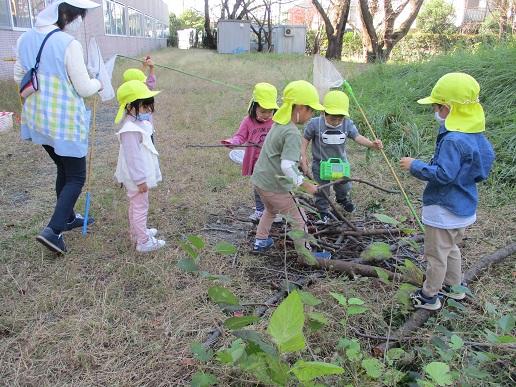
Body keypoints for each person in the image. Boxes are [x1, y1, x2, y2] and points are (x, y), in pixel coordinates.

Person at [400, 72, 495, 310]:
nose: (435, 111)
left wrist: (416, 166)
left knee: (435, 256)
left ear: (447, 108)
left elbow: (443, 175)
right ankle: (454, 288)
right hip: (464, 208)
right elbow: (484, 165)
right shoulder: (475, 136)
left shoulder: (453, 140)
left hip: (443, 210)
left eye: (436, 107)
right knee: (451, 249)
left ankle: (429, 296)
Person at [13, 0, 102, 254]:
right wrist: (97, 82)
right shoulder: (68, 44)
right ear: (63, 13)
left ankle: (68, 218)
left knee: (63, 168)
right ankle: (53, 230)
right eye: (76, 17)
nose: (77, 22)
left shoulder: (24, 38)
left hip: (38, 119)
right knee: (76, 176)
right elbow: (84, 88)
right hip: (64, 122)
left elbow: (18, 74)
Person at [251, 80, 331, 261]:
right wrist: (304, 184)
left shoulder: (279, 123)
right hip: (274, 186)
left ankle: (260, 241)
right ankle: (306, 255)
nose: (311, 115)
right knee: (299, 219)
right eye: (310, 110)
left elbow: (280, 155)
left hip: (260, 181)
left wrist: (300, 162)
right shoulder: (292, 133)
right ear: (300, 108)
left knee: (270, 210)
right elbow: (287, 166)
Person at [301, 90, 383, 222]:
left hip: (339, 164)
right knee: (322, 189)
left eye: (340, 118)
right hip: (321, 164)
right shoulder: (315, 124)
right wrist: (303, 155)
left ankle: (342, 199)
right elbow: (305, 139)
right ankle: (323, 211)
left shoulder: (347, 124)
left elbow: (357, 137)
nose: (337, 121)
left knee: (343, 185)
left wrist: (371, 144)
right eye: (333, 118)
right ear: (324, 112)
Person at [114, 80, 165, 253]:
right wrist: (140, 180)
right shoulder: (130, 130)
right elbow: (133, 158)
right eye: (144, 107)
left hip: (138, 177)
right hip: (137, 178)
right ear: (130, 107)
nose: (147, 111)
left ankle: (137, 233)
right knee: (140, 207)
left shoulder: (137, 124)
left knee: (136, 205)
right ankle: (143, 241)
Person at [221, 82, 281, 222]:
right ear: (254, 107)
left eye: (270, 111)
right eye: (262, 111)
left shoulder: (276, 121)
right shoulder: (248, 121)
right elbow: (241, 136)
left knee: (272, 186)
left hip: (272, 160)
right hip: (255, 161)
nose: (266, 115)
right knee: (258, 187)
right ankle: (260, 210)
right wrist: (233, 142)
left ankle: (273, 211)